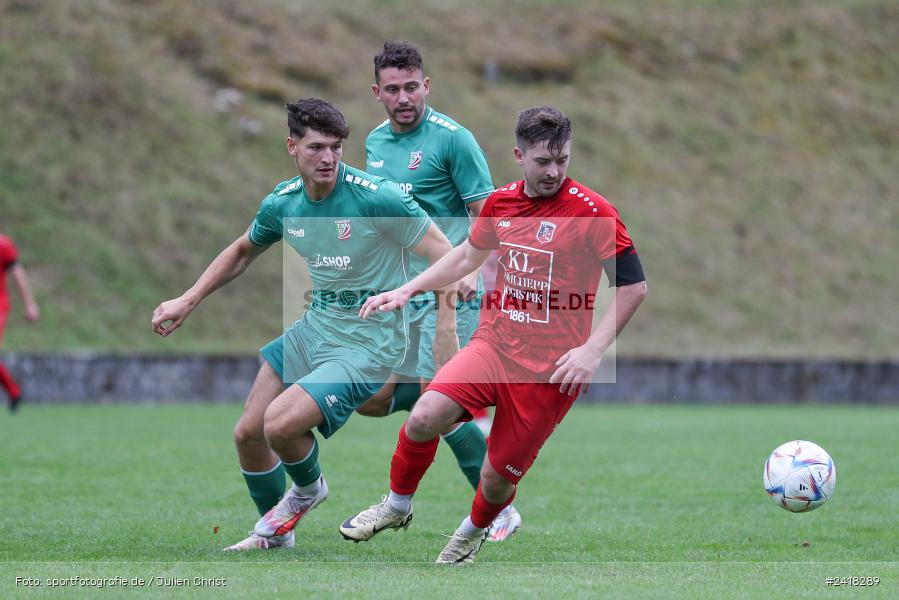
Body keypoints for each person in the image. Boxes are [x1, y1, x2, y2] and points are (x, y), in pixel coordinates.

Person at [339, 106, 647, 563]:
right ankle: (396, 506)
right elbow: (467, 255)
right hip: (495, 345)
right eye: (543, 161)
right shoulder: (501, 203)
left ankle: (471, 531)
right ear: (519, 155)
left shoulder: (593, 213)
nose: (554, 171)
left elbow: (634, 287)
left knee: (495, 478)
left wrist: (593, 349)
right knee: (425, 415)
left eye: (562, 159)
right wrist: (407, 289)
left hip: (550, 373)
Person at [151, 98, 457, 551]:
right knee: (249, 434)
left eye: (336, 147)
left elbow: (446, 253)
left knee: (280, 426)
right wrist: (188, 298)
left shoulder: (377, 198)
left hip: (370, 341)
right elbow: (241, 251)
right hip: (315, 328)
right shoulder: (284, 203)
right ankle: (276, 539)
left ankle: (309, 490)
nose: (329, 158)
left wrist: (445, 329)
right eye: (316, 147)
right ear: (291, 146)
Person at [352, 40, 520, 542]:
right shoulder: (375, 142)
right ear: (377, 92)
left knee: (436, 396)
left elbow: (489, 219)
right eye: (393, 89)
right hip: (401, 289)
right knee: (374, 397)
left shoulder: (454, 140)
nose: (404, 97)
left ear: (426, 85)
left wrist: (474, 271)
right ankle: (453, 414)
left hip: (455, 291)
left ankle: (499, 509)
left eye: (412, 87)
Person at [0, 233, 40, 412]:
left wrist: (30, 304)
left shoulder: (3, 244)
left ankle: (13, 390)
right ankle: (14, 391)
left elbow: (17, 273)